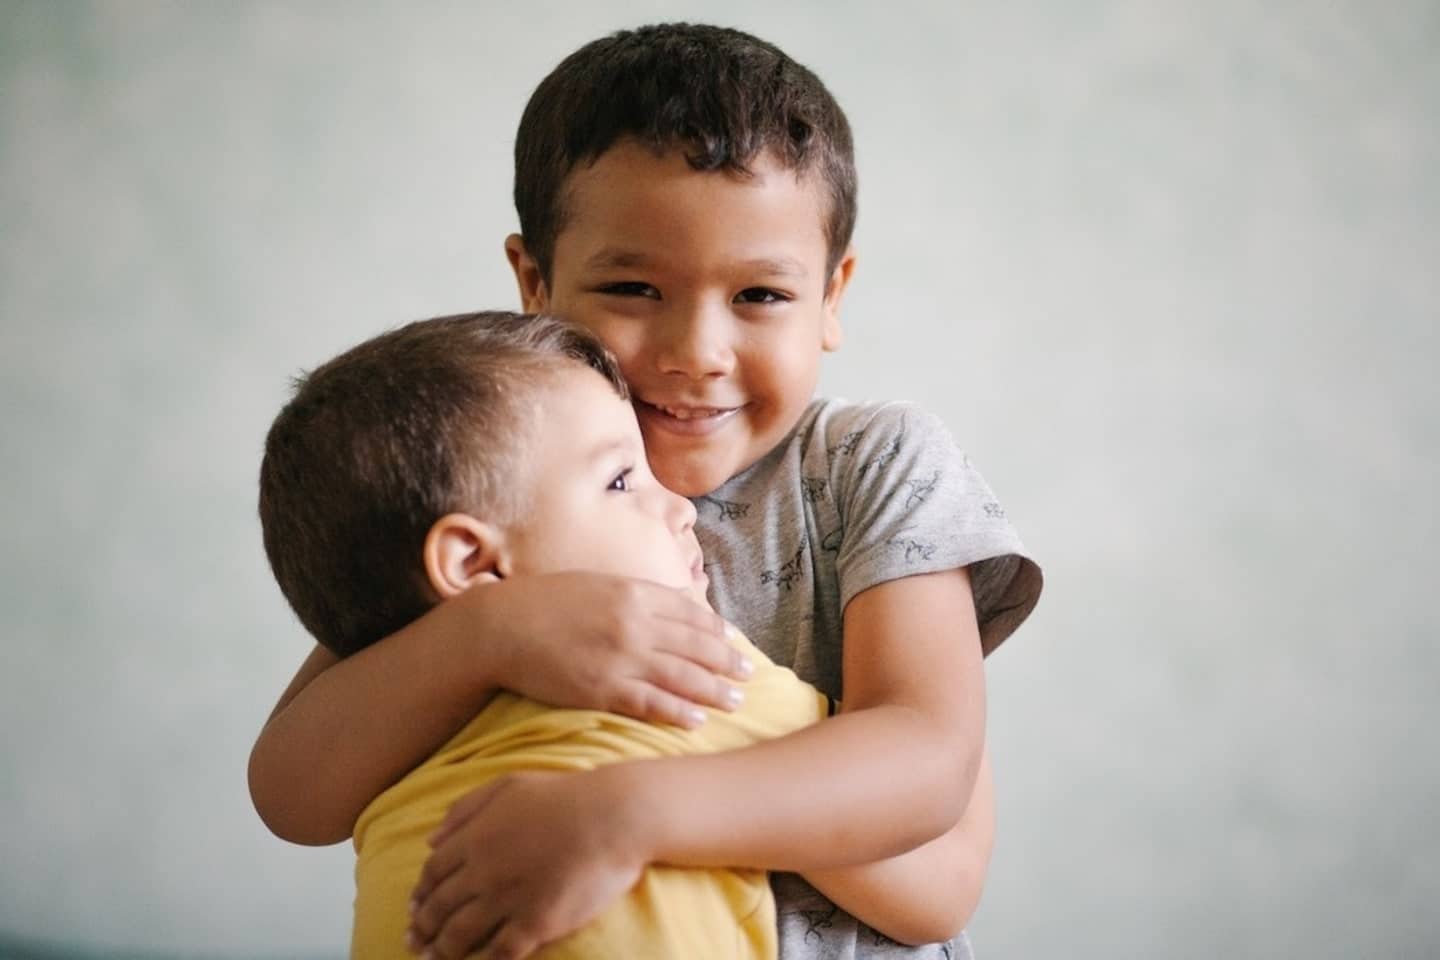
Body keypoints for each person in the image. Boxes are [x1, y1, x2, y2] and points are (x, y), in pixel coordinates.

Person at [249, 23, 1043, 960]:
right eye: (632, 285)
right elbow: (295, 795)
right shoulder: (501, 473)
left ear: (833, 294)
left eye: (760, 297)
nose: (697, 354)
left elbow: (932, 822)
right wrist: (494, 631)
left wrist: (630, 810)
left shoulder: (872, 467)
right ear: (534, 281)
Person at [258, 310, 832, 958]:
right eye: (621, 480)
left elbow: (285, 800)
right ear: (472, 564)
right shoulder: (673, 656)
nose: (679, 506)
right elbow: (910, 813)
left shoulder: (385, 721)